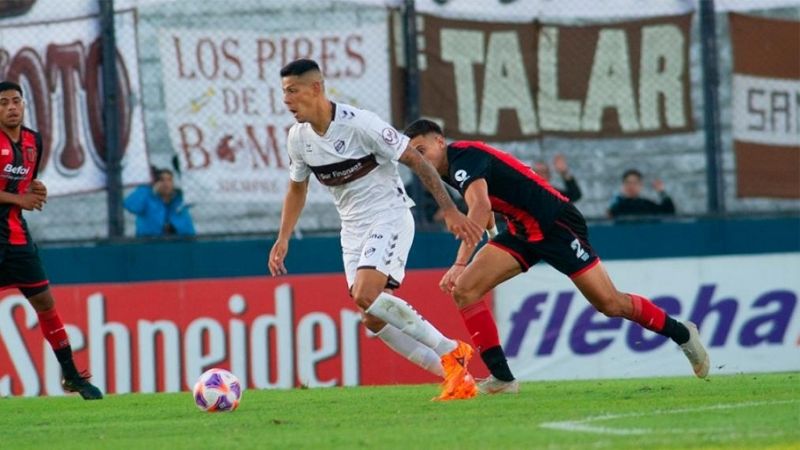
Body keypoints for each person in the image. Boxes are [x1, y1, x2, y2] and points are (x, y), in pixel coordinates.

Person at [404, 119, 709, 394]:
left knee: (610, 303)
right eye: (413, 154)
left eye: (422, 149)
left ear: (441, 141)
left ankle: (682, 332)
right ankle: (503, 379)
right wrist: (493, 230)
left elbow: (480, 205)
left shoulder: (463, 157)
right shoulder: (449, 168)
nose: (419, 158)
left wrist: (460, 262)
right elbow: (491, 198)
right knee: (466, 290)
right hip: (523, 230)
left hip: (557, 224)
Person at [267, 59, 485, 400]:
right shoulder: (298, 139)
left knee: (366, 295)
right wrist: (283, 237)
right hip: (352, 229)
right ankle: (454, 378)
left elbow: (417, 159)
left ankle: (451, 350)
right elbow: (297, 188)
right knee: (372, 318)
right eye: (283, 93)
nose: (286, 100)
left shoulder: (360, 124)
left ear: (316, 88)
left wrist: (449, 209)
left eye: (293, 91)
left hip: (389, 215)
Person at [0, 80, 102, 399]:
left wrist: (36, 190)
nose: (11, 107)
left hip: (17, 240)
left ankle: (71, 375)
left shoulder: (34, 141)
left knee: (45, 302)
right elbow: (18, 196)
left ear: (24, 104)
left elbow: (26, 184)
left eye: (16, 101)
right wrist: (20, 200)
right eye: (3, 103)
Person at [124, 167, 195, 237]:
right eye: (162, 180)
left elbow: (195, 195)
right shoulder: (147, 197)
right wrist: (147, 187)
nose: (166, 183)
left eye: (169, 180)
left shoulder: (180, 198)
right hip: (150, 242)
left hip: (180, 240)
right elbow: (131, 206)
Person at [608, 169, 675, 218]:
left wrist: (661, 192)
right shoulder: (617, 207)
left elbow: (669, 213)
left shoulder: (647, 205)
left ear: (640, 186)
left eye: (635, 183)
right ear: (623, 186)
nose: (631, 186)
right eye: (628, 183)